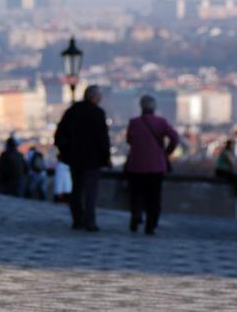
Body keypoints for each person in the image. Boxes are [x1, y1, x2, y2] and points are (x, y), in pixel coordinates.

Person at [54, 85, 112, 231]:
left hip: (75, 158)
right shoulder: (97, 113)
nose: (100, 98)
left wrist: (65, 152)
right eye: (99, 96)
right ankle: (90, 221)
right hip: (93, 159)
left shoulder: (72, 111)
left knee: (76, 189)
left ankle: (77, 219)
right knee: (90, 192)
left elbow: (59, 135)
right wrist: (106, 157)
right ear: (94, 97)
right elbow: (103, 138)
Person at [125, 95, 180, 235]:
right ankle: (151, 225)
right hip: (156, 166)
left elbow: (129, 140)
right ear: (154, 107)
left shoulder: (134, 122)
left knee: (136, 194)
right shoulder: (161, 122)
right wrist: (167, 152)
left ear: (141, 107)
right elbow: (174, 137)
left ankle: (136, 214)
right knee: (154, 197)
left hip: (136, 165)